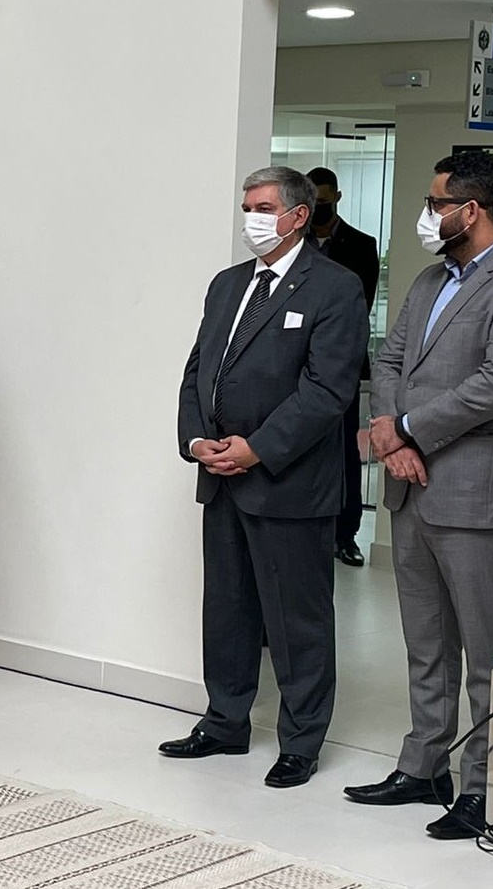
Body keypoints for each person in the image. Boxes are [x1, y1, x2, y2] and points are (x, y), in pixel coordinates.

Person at [343, 150, 493, 839]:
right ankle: (423, 766)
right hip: (414, 493)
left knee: (488, 656)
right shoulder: (427, 278)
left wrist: (405, 429)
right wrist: (391, 435)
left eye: (436, 203)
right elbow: (390, 358)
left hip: (479, 500)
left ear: (471, 209)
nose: (428, 214)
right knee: (426, 645)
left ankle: (485, 789)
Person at [162, 166, 367, 787]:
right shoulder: (227, 286)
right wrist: (197, 439)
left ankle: (301, 741)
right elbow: (200, 371)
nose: (250, 216)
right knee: (226, 611)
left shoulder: (335, 288)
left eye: (262, 206)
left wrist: (255, 448)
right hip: (220, 476)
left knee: (296, 619)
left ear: (298, 215)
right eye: (246, 205)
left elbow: (328, 390)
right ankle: (224, 723)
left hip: (288, 483)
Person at [306, 167, 380, 567]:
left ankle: (346, 533)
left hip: (344, 366)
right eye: (312, 199)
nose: (318, 206)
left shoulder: (361, 245)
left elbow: (358, 310)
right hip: (295, 366)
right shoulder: (293, 243)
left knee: (346, 448)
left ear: (337, 196)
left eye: (324, 199)